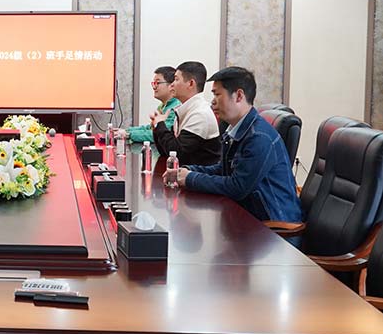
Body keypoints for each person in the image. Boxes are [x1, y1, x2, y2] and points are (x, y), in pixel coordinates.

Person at [164, 67, 302, 223]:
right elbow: (223, 170)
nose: (213, 101)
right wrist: (187, 171)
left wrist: (190, 178)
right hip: (248, 216)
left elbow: (237, 187)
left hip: (273, 225)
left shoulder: (258, 137)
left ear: (239, 96)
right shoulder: (236, 129)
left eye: (217, 94)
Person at [152, 61, 220, 165]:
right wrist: (157, 127)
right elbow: (166, 152)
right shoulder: (183, 109)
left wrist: (160, 125)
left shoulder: (200, 114)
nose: (172, 84)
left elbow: (176, 153)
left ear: (191, 83)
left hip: (199, 174)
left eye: (176, 79)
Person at [116, 66, 181, 144]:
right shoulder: (162, 106)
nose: (154, 87)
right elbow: (150, 128)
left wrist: (129, 134)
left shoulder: (175, 108)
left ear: (171, 85)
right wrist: (126, 131)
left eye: (157, 83)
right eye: (153, 83)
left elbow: (160, 134)